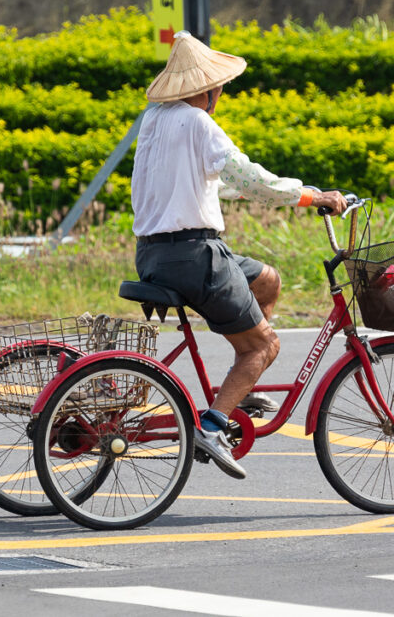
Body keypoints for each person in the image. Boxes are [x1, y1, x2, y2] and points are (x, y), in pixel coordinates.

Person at [131, 31, 347, 479]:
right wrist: (308, 197)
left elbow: (216, 181)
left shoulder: (155, 120)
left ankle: (240, 388)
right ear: (208, 89)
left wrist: (288, 195)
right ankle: (212, 426)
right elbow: (249, 178)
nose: (220, 96)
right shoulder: (199, 124)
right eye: (219, 89)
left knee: (267, 279)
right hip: (195, 255)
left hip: (153, 254)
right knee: (265, 345)